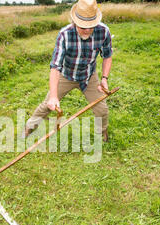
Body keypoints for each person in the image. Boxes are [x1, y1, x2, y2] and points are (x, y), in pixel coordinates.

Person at [23, 0, 113, 142]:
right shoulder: (64, 34)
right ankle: (29, 128)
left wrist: (104, 79)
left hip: (89, 76)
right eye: (83, 26)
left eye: (91, 26)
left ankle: (103, 135)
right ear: (74, 21)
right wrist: (54, 96)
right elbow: (55, 66)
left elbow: (107, 56)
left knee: (102, 110)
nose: (88, 30)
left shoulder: (103, 31)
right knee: (47, 106)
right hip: (67, 75)